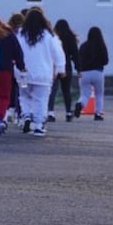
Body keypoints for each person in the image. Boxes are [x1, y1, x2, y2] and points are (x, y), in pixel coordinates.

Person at [16, 8, 65, 137]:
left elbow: (16, 51)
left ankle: (26, 116)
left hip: (23, 73)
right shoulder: (48, 35)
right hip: (42, 75)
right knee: (40, 100)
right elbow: (58, 52)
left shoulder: (20, 34)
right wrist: (61, 68)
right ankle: (38, 125)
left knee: (24, 96)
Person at [0, 12, 24, 133]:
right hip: (5, 69)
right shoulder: (8, 32)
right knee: (2, 96)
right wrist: (20, 65)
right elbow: (17, 50)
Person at [74, 26, 109, 121]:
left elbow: (78, 59)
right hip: (98, 73)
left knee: (85, 94)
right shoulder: (102, 46)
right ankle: (98, 114)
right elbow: (106, 61)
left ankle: (80, 104)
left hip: (84, 73)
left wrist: (79, 69)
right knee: (99, 94)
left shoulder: (83, 46)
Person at [47, 18, 79, 122]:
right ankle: (68, 112)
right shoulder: (71, 38)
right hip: (67, 66)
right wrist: (79, 68)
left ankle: (50, 112)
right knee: (66, 91)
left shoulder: (54, 37)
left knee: (53, 91)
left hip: (55, 66)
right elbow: (75, 55)